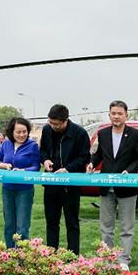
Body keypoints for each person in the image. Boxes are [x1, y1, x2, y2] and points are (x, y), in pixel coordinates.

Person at [87, 100, 138, 270]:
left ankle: (123, 260)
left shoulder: (135, 134)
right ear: (109, 115)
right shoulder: (103, 133)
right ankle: (108, 259)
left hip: (127, 187)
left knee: (127, 227)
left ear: (126, 115)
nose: (116, 116)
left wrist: (129, 170)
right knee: (106, 227)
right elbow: (99, 154)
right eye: (113, 113)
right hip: (106, 187)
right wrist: (92, 163)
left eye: (120, 113)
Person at [39, 104, 91, 255]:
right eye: (51, 122)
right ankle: (50, 256)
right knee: (51, 222)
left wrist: (68, 169)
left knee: (72, 223)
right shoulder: (46, 130)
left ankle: (72, 257)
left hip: (71, 184)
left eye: (56, 124)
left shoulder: (80, 133)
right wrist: (45, 160)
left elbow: (84, 157)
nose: (53, 126)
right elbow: (42, 150)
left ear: (66, 120)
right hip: (51, 183)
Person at [0, 117, 40, 248]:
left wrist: (23, 170)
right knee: (9, 225)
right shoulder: (6, 144)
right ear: (11, 132)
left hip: (25, 190)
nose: (22, 135)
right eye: (18, 132)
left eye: (24, 131)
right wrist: (3, 165)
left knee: (22, 226)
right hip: (7, 189)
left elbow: (36, 167)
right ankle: (9, 254)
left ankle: (21, 255)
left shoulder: (32, 146)